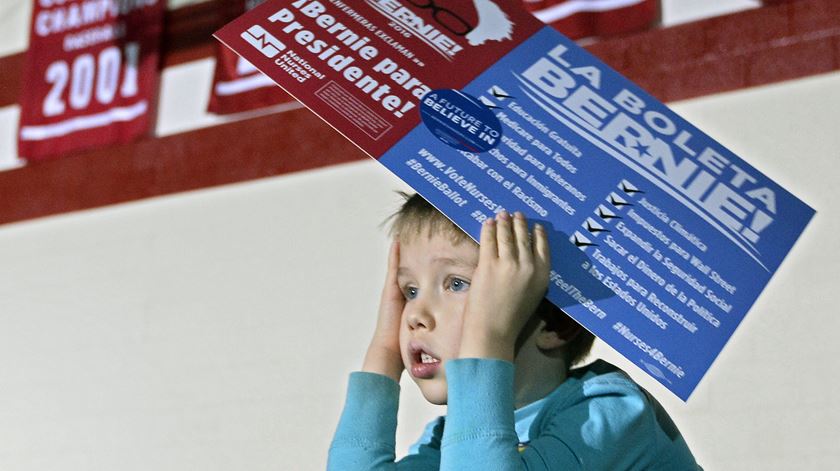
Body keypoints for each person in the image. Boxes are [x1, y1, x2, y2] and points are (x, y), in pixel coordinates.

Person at [327, 193, 699, 470]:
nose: (415, 315)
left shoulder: (612, 411)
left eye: (456, 284)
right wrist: (384, 350)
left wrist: (487, 338)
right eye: (409, 291)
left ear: (557, 325)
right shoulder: (446, 442)